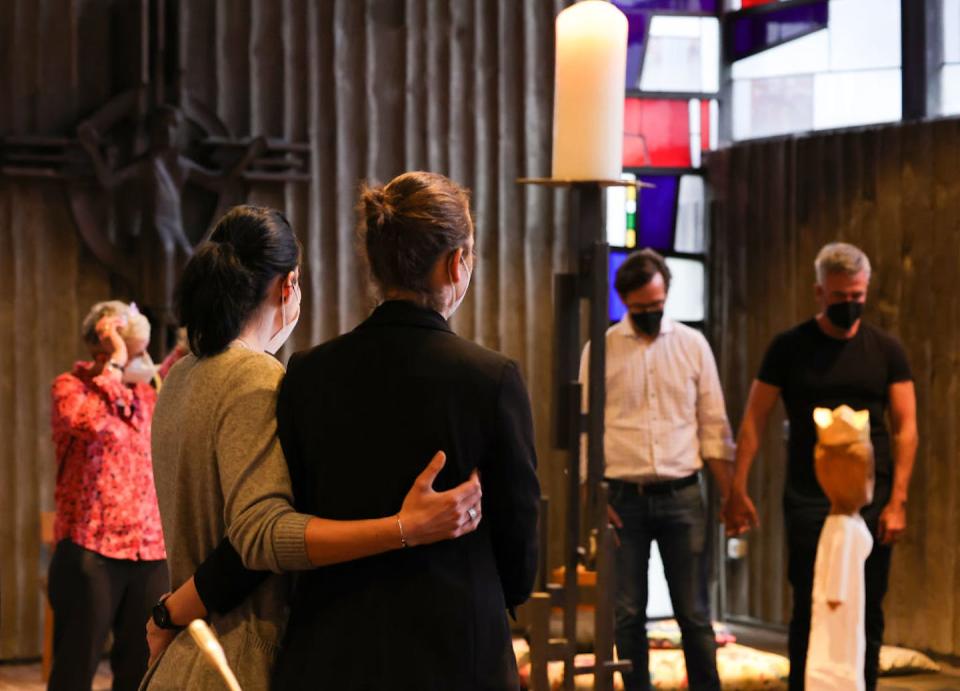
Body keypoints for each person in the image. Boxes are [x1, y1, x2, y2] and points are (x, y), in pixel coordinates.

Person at [142, 204, 484, 690]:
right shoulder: (253, 376)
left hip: (186, 651)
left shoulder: (181, 375)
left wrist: (170, 612)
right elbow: (257, 537)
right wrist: (405, 527)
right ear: (289, 285)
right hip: (236, 657)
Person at [270, 171, 541, 690]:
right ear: (455, 263)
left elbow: (295, 503)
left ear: (375, 262)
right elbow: (518, 527)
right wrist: (494, 593)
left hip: (334, 642)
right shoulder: (490, 377)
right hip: (456, 642)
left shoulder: (308, 371)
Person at [724, 242, 918, 691]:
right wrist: (738, 487)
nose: (849, 305)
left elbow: (907, 426)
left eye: (857, 296)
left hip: (873, 498)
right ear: (819, 293)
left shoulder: (886, 350)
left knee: (867, 604)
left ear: (866, 290)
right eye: (839, 297)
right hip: (810, 497)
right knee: (810, 602)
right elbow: (754, 420)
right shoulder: (789, 348)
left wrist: (899, 501)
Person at [580, 249, 734, 691]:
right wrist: (595, 496)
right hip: (623, 498)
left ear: (666, 293)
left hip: (683, 494)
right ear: (624, 301)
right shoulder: (601, 349)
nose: (649, 313)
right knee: (627, 613)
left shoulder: (691, 345)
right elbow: (587, 430)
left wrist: (729, 492)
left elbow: (714, 424)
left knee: (694, 613)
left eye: (656, 304)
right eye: (640, 307)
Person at [48, 300, 168, 691]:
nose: (141, 361)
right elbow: (89, 425)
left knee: (140, 668)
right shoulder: (71, 387)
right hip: (90, 549)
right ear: (101, 350)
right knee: (75, 667)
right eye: (131, 352)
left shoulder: (148, 397)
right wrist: (116, 360)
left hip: (149, 551)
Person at [806, 405, 875, 691]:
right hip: (837, 635)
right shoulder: (843, 529)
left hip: (849, 621)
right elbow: (835, 592)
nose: (871, 482)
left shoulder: (847, 523)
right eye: (867, 474)